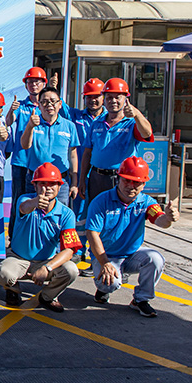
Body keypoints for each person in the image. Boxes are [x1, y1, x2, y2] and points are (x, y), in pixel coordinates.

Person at [86, 156, 179, 317]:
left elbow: (160, 221)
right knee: (110, 284)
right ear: (118, 179)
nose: (131, 186)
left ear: (144, 184)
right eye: (126, 181)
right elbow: (92, 234)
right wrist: (105, 262)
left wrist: (169, 218)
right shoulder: (101, 202)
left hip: (131, 255)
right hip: (106, 255)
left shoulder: (146, 202)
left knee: (156, 259)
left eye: (137, 182)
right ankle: (103, 289)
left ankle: (141, 300)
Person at [0, 163, 81, 312]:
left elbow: (69, 250)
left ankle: (48, 296)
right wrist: (36, 202)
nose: (47, 188)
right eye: (42, 183)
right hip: (18, 259)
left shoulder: (66, 214)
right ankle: (13, 290)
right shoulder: (25, 200)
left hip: (46, 261)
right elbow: (23, 208)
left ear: (59, 187)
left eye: (52, 184)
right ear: (34, 186)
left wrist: (47, 267)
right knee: (3, 273)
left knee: (71, 270)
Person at [78, 78, 154, 213]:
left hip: (121, 179)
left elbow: (147, 133)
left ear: (125, 99)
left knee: (118, 213)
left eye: (117, 97)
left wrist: (136, 114)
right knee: (96, 212)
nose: (113, 101)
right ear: (104, 99)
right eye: (109, 97)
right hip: (97, 177)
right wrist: (82, 180)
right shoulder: (96, 123)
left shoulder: (131, 123)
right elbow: (87, 153)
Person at [69, 78, 107, 268]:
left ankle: (97, 254)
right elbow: (57, 105)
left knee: (101, 213)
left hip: (102, 174)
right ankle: (78, 250)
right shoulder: (76, 116)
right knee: (79, 214)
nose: (93, 100)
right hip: (81, 173)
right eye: (89, 97)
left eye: (97, 96)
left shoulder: (110, 118)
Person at [20, 87, 79, 207]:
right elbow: (25, 145)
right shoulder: (32, 123)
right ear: (39, 105)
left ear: (60, 104)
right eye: (44, 102)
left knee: (59, 215)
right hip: (36, 181)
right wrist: (30, 126)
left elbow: (72, 155)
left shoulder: (69, 126)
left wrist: (74, 183)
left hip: (60, 182)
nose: (49, 105)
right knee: (34, 214)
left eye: (53, 101)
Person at [6, 67, 48, 217]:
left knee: (39, 201)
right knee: (18, 200)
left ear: (44, 83)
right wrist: (11, 110)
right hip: (21, 160)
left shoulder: (48, 107)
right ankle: (14, 229)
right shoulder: (21, 105)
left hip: (39, 161)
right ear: (26, 85)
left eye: (37, 81)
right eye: (30, 82)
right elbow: (9, 122)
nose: (33, 85)